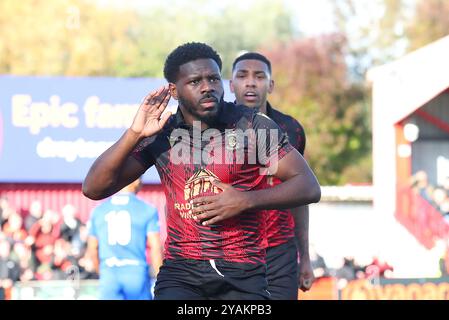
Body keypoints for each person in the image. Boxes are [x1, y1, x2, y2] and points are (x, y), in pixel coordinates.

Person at [82, 42, 321, 300]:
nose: (207, 87)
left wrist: (246, 200)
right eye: (195, 81)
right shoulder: (162, 134)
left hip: (242, 273)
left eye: (213, 79)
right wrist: (133, 134)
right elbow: (93, 188)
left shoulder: (251, 125)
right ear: (174, 90)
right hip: (181, 273)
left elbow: (308, 186)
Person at [230, 52, 314, 299]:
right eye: (242, 76)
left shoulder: (291, 129)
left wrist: (305, 257)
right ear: (231, 84)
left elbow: (300, 195)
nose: (251, 82)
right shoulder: (215, 129)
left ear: (271, 85)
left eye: (259, 76)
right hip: (233, 250)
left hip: (280, 253)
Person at [85, 178, 162, 300]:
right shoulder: (147, 210)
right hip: (136, 273)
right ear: (136, 181)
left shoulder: (98, 211)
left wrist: (103, 272)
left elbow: (92, 248)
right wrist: (161, 279)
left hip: (109, 273)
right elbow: (155, 248)